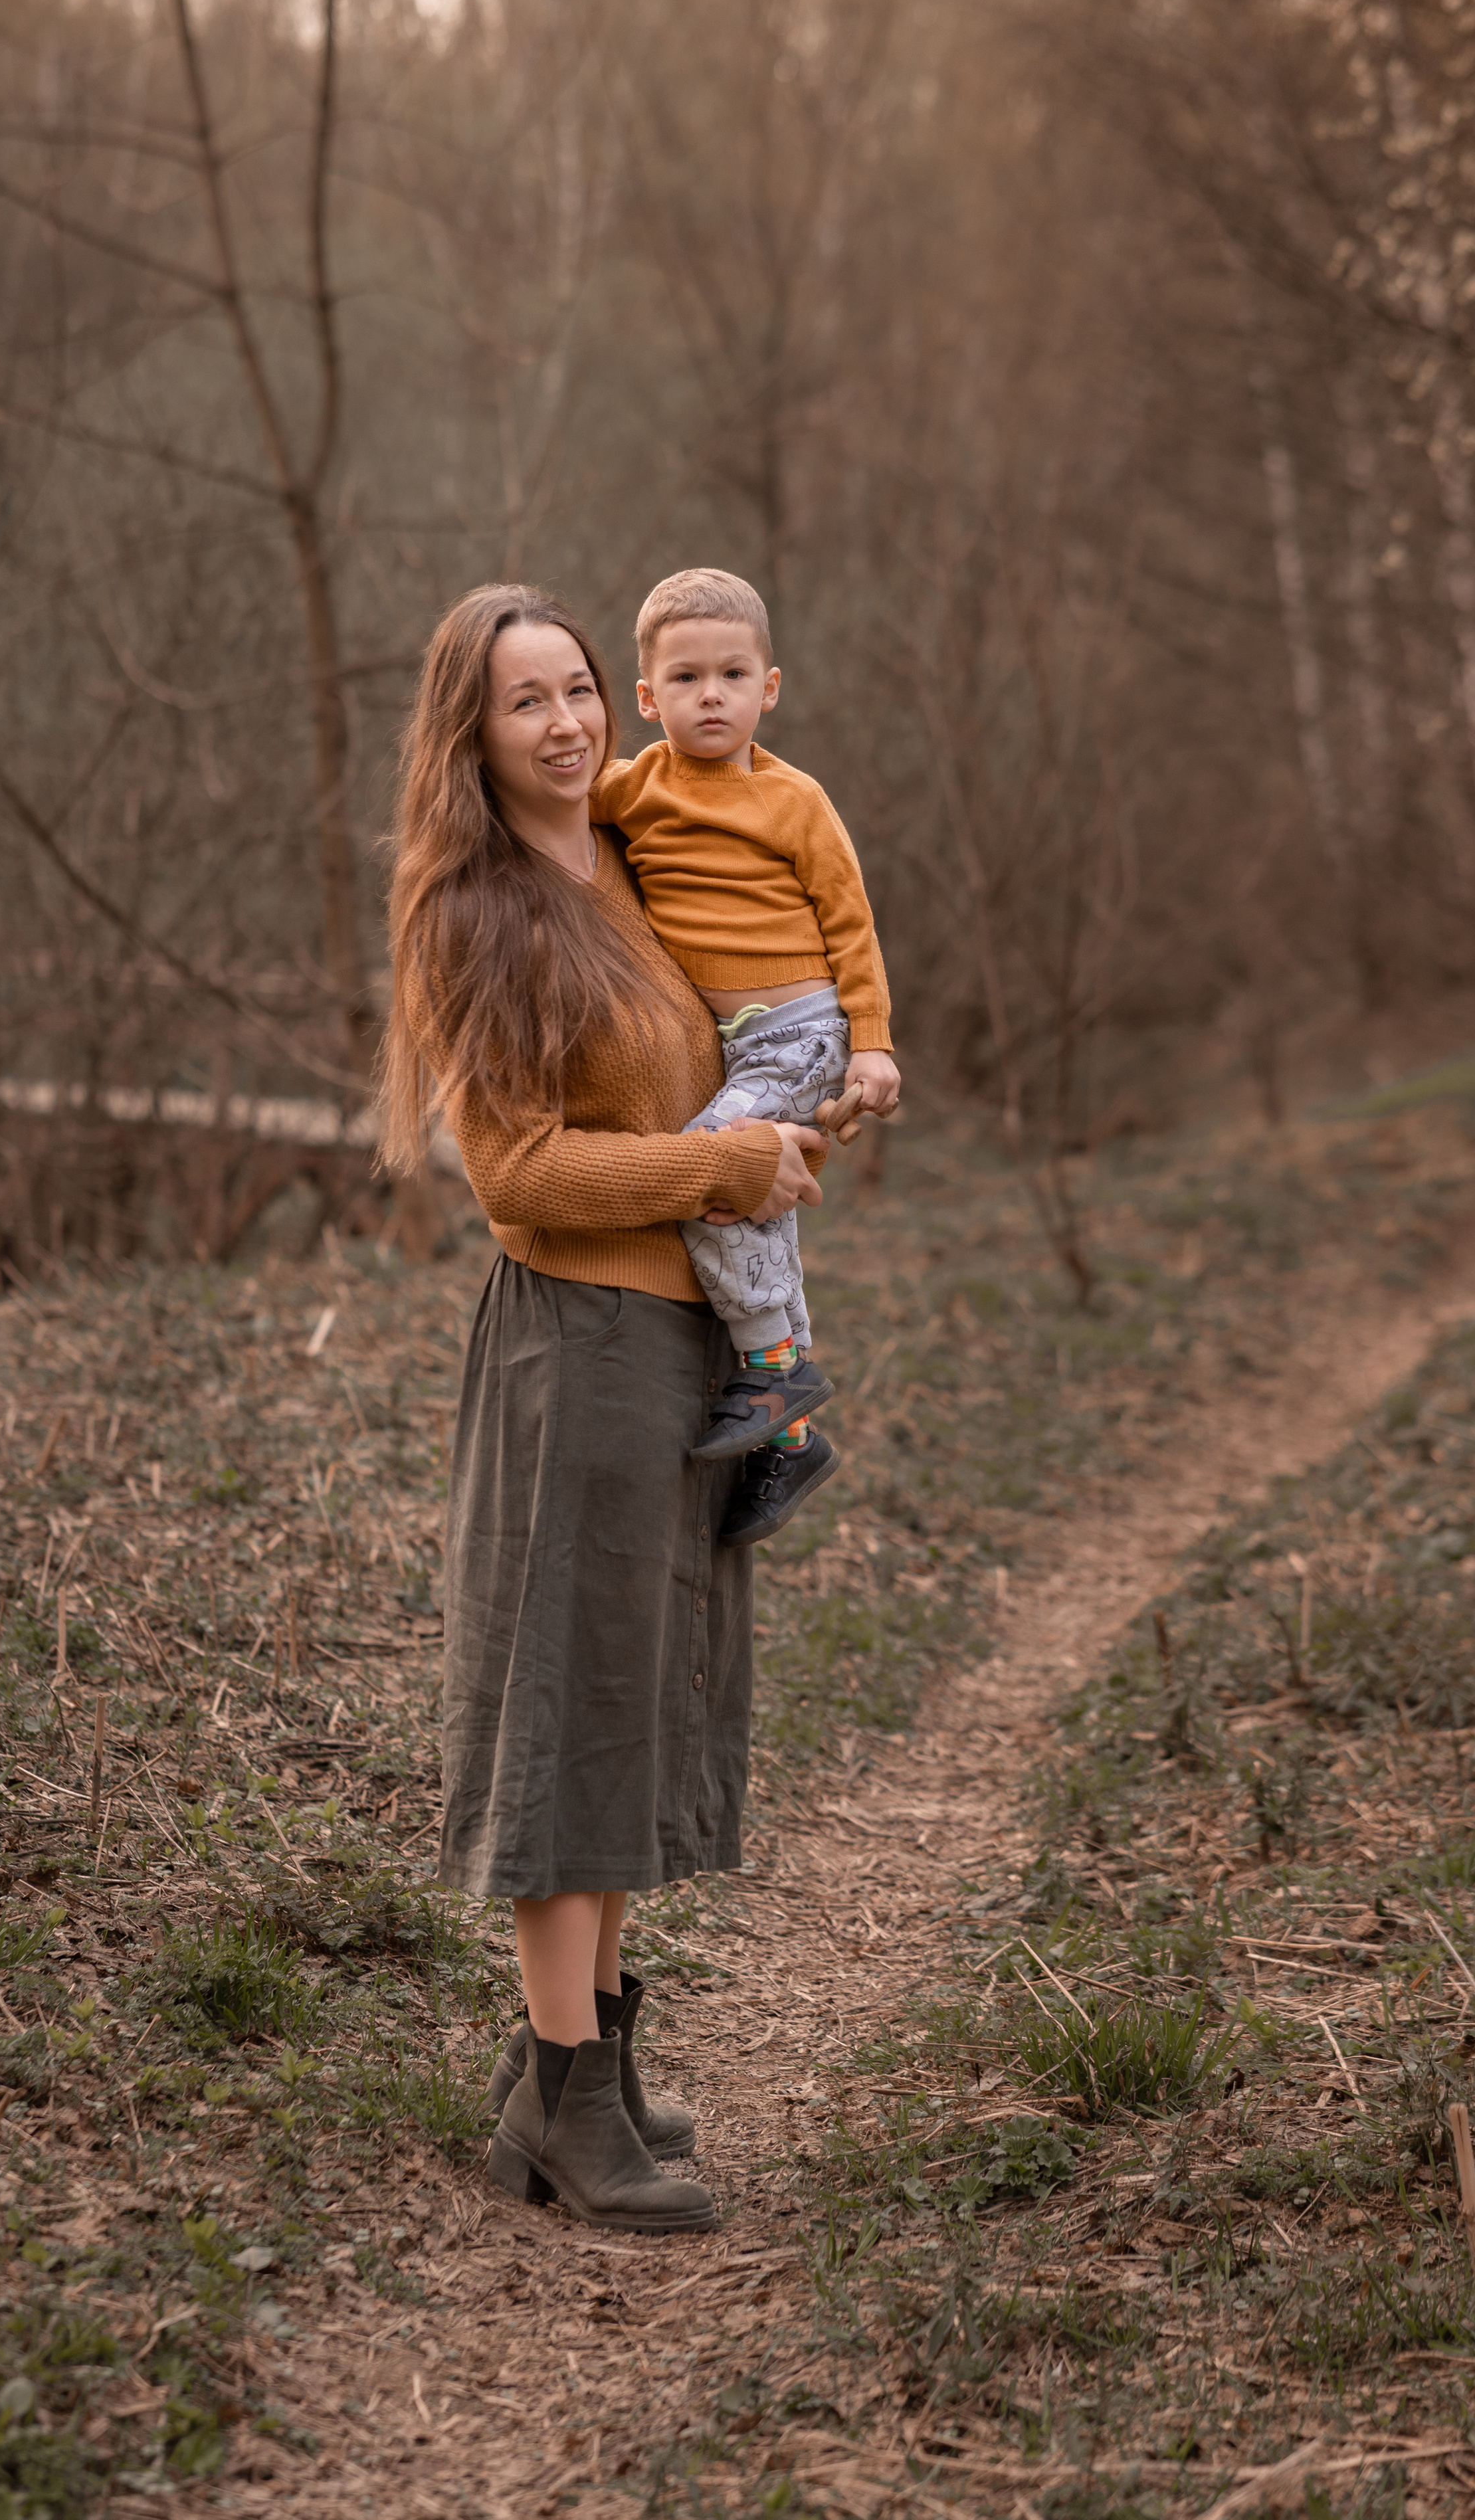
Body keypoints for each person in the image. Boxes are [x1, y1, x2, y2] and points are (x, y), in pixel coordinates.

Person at [379, 583, 827, 2235]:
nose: (566, 722)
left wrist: (802, 1101)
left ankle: (578, 2067)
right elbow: (519, 1178)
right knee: (572, 1700)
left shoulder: (633, 861)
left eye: (577, 688)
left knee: (636, 1694)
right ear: (473, 733)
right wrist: (721, 1166)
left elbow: (725, 1048)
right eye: (527, 701)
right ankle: (564, 2098)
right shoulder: (476, 911)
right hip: (574, 1347)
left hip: (677, 1341)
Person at [591, 568, 900, 1547]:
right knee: (761, 1207)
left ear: (769, 687)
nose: (711, 696)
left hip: (802, 1030)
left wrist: (873, 1043)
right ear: (649, 700)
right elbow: (540, 800)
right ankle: (792, 1437)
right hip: (735, 1048)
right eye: (686, 679)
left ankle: (773, 1370)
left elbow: (851, 921)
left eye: (732, 675)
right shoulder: (631, 788)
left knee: (713, 1173)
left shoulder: (793, 799)